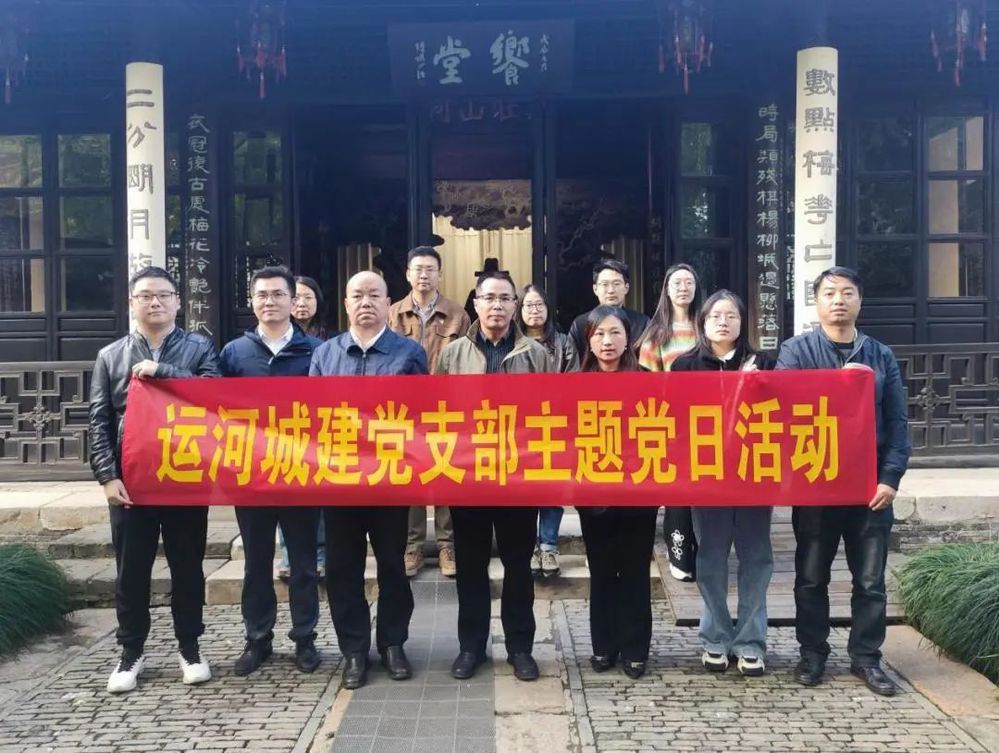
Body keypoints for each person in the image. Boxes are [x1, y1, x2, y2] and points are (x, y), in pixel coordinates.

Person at [777, 266, 911, 696]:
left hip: (869, 490)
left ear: (859, 301)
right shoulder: (796, 352)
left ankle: (867, 658)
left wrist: (889, 478)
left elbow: (898, 422)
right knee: (810, 577)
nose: (839, 300)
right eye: (830, 293)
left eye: (847, 293)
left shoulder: (880, 355)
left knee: (870, 581)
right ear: (816, 302)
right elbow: (781, 408)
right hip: (816, 485)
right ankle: (812, 654)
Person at [89, 266, 219, 694]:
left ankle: (190, 648)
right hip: (132, 482)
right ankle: (131, 651)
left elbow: (213, 393)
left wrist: (163, 371)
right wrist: (107, 476)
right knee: (131, 571)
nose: (155, 302)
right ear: (132, 303)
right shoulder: (111, 356)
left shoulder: (199, 348)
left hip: (184, 476)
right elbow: (99, 420)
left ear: (178, 302)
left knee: (187, 567)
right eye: (145, 295)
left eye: (163, 294)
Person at [310, 271, 427, 690]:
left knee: (394, 564)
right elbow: (312, 417)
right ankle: (354, 650)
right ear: (345, 304)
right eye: (357, 295)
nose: (365, 302)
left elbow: (423, 415)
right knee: (343, 568)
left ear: (388, 303)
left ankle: (393, 643)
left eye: (374, 295)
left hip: (390, 478)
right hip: (339, 481)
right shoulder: (325, 355)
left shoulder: (409, 353)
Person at [436, 271, 552, 682]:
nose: (497, 305)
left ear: (515, 306)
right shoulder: (453, 355)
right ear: (476, 304)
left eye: (505, 298)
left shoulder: (535, 355)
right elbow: (437, 412)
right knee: (470, 566)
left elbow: (550, 411)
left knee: (519, 566)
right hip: (468, 476)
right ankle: (471, 646)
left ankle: (520, 647)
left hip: (519, 476)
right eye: (489, 298)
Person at [219, 266, 324, 677]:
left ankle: (305, 638)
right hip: (253, 476)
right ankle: (257, 639)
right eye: (262, 295)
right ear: (252, 301)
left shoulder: (316, 351)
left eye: (278, 294)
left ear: (293, 300)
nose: (270, 301)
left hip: (301, 474)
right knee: (256, 563)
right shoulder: (234, 353)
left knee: (304, 564)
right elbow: (213, 410)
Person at [672, 290, 775, 677]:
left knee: (756, 558)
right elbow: (674, 416)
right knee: (711, 558)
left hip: (754, 476)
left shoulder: (765, 363)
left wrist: (758, 386)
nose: (723, 322)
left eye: (731, 315)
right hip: (707, 478)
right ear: (702, 321)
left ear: (742, 322)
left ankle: (751, 642)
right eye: (715, 315)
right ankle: (715, 637)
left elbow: (785, 411)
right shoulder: (685, 366)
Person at [576, 306, 658, 680]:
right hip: (594, 496)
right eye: (599, 334)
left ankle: (636, 649)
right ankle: (604, 646)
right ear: (589, 341)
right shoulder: (573, 384)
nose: (607, 342)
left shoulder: (647, 381)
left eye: (615, 333)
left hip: (638, 493)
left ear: (629, 339)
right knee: (603, 571)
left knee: (636, 572)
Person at [388, 246, 470, 578]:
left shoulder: (457, 314)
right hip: (404, 409)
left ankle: (448, 545)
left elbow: (466, 357)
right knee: (411, 476)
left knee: (445, 472)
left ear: (440, 274)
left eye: (430, 269)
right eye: (418, 269)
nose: (424, 275)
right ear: (408, 274)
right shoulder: (393, 313)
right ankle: (414, 546)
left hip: (445, 408)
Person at [637, 263, 703, 583]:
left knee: (703, 489)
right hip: (671, 421)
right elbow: (647, 385)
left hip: (706, 422)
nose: (683, 288)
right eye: (677, 282)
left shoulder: (707, 326)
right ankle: (679, 556)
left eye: (689, 282)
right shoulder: (656, 333)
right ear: (666, 289)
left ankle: (704, 552)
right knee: (677, 491)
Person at [517, 283, 579, 577]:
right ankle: (529, 544)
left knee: (552, 487)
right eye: (528, 305)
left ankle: (549, 545)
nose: (534, 310)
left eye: (539, 304)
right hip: (520, 427)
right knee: (525, 489)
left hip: (555, 424)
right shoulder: (514, 343)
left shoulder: (564, 343)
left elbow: (573, 382)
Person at [274, 274, 328, 581]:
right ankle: (288, 555)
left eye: (308, 297)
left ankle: (320, 554)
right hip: (285, 430)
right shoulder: (275, 340)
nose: (302, 303)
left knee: (318, 496)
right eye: (296, 297)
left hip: (321, 429)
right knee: (287, 493)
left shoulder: (330, 340)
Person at [568, 258, 649, 361]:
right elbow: (572, 363)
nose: (611, 290)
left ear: (626, 288)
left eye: (616, 284)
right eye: (604, 284)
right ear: (595, 289)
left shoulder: (642, 324)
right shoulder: (580, 324)